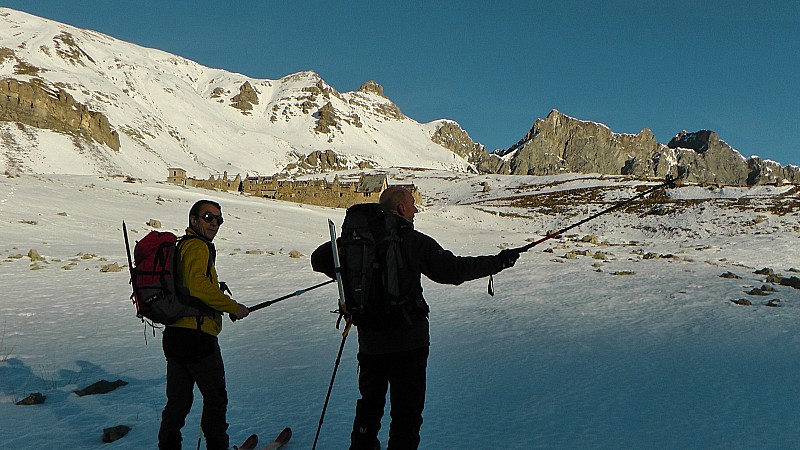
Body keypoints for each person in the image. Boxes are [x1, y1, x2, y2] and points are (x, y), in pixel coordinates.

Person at [311, 187, 519, 450]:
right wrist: (499, 262)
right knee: (406, 417)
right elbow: (452, 271)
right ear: (400, 209)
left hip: (371, 343)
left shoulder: (354, 241)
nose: (415, 209)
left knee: (369, 409)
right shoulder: (411, 240)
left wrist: (351, 262)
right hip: (410, 343)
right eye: (411, 204)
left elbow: (318, 259)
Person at [158, 199, 250, 450]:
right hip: (197, 337)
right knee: (216, 399)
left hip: (176, 335)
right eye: (208, 217)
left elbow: (193, 289)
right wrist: (232, 306)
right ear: (193, 220)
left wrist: (220, 305)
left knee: (177, 404)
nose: (214, 224)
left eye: (218, 219)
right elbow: (196, 285)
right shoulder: (197, 247)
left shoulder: (184, 245)